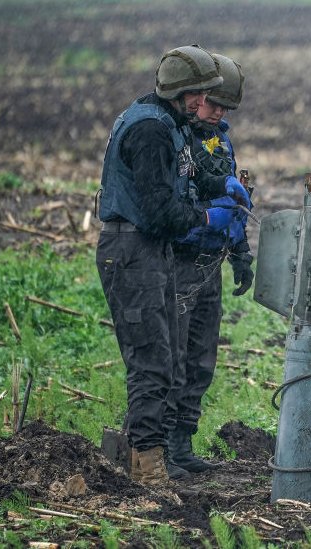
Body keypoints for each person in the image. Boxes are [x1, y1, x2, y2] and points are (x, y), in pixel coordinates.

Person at [96, 45, 251, 486]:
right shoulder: (150, 131)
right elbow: (160, 209)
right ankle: (146, 472)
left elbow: (182, 178)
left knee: (166, 360)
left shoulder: (169, 124)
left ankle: (155, 459)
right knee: (152, 361)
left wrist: (219, 182)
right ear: (182, 92)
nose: (206, 103)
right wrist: (207, 217)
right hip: (132, 250)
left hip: (147, 250)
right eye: (200, 93)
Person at [164, 53, 253, 477]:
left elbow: (235, 202)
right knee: (173, 356)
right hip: (180, 260)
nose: (217, 113)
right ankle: (156, 446)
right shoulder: (177, 139)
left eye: (226, 108)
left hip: (210, 261)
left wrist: (240, 252)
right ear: (195, 97)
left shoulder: (222, 140)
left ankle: (181, 443)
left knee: (201, 359)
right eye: (213, 103)